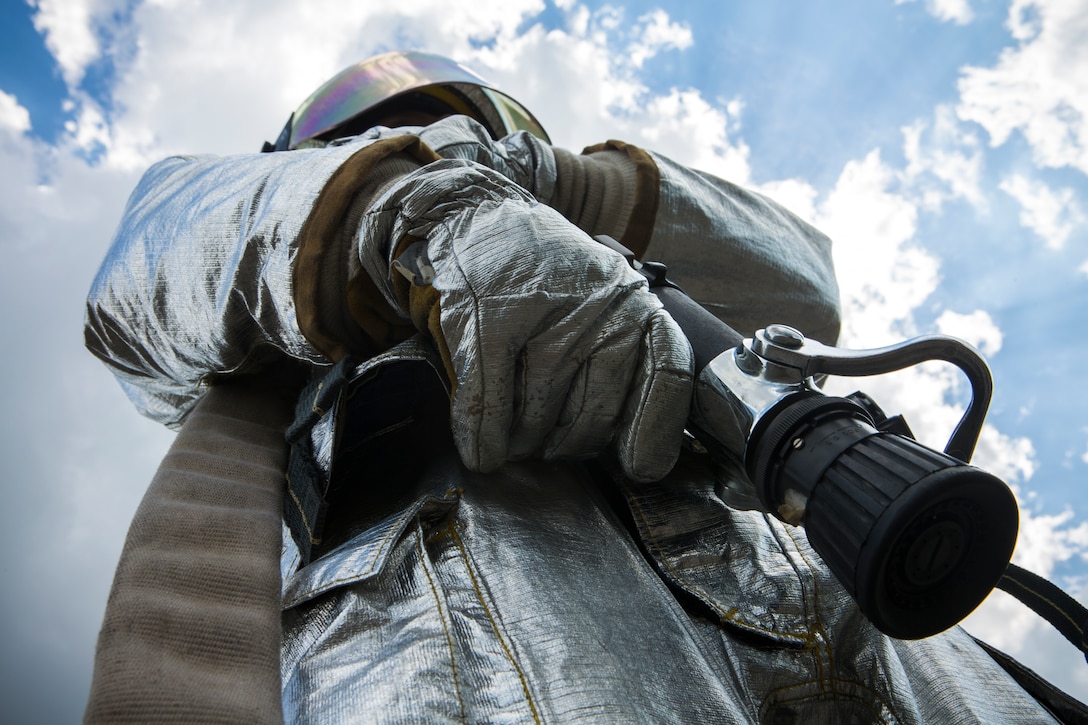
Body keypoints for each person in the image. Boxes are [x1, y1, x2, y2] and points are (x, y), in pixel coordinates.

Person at [84, 51, 1078, 723]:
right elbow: (143, 277)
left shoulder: (586, 222)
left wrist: (550, 186)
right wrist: (417, 206)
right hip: (472, 580)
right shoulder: (243, 226)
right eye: (389, 131)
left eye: (452, 127)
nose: (427, 138)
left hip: (801, 562)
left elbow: (803, 287)